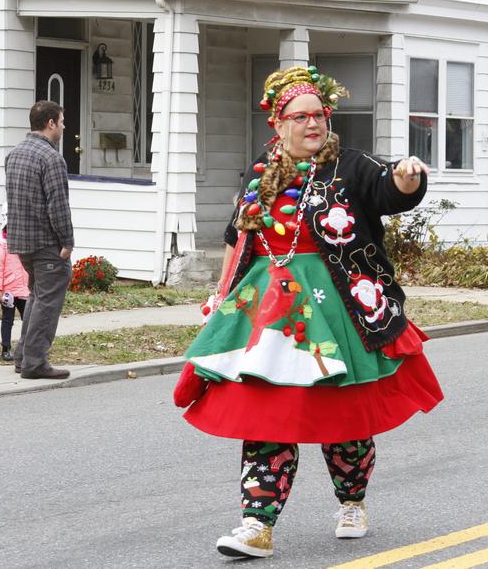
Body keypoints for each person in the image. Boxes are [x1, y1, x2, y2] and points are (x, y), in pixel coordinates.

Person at [174, 65, 443, 559]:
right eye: (301, 117)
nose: (313, 124)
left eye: (319, 115)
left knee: (343, 416)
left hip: (337, 308)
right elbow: (240, 237)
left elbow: (389, 190)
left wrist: (406, 181)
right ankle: (257, 524)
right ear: (278, 123)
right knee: (267, 414)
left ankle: (352, 501)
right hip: (267, 311)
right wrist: (221, 297)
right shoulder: (262, 170)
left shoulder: (351, 166)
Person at [5, 100, 74, 380]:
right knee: (47, 302)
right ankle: (35, 361)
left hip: (21, 241)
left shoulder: (14, 154)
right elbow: (57, 206)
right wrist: (67, 242)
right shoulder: (51, 158)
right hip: (46, 241)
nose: (63, 126)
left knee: (36, 296)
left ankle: (23, 355)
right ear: (50, 123)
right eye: (61, 121)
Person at [0, 203, 30, 362]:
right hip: (8, 293)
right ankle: (5, 348)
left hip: (24, 290)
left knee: (29, 320)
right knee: (8, 320)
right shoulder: (0, 247)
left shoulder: (25, 246)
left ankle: (27, 347)